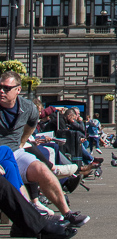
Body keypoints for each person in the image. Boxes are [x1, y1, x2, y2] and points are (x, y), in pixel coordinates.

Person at [0, 72, 89, 227]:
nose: (1, 91)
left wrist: (22, 142)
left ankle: (67, 213)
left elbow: (32, 124)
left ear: (18, 90)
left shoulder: (27, 107)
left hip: (14, 151)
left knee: (42, 169)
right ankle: (28, 219)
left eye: (6, 88)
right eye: (0, 87)